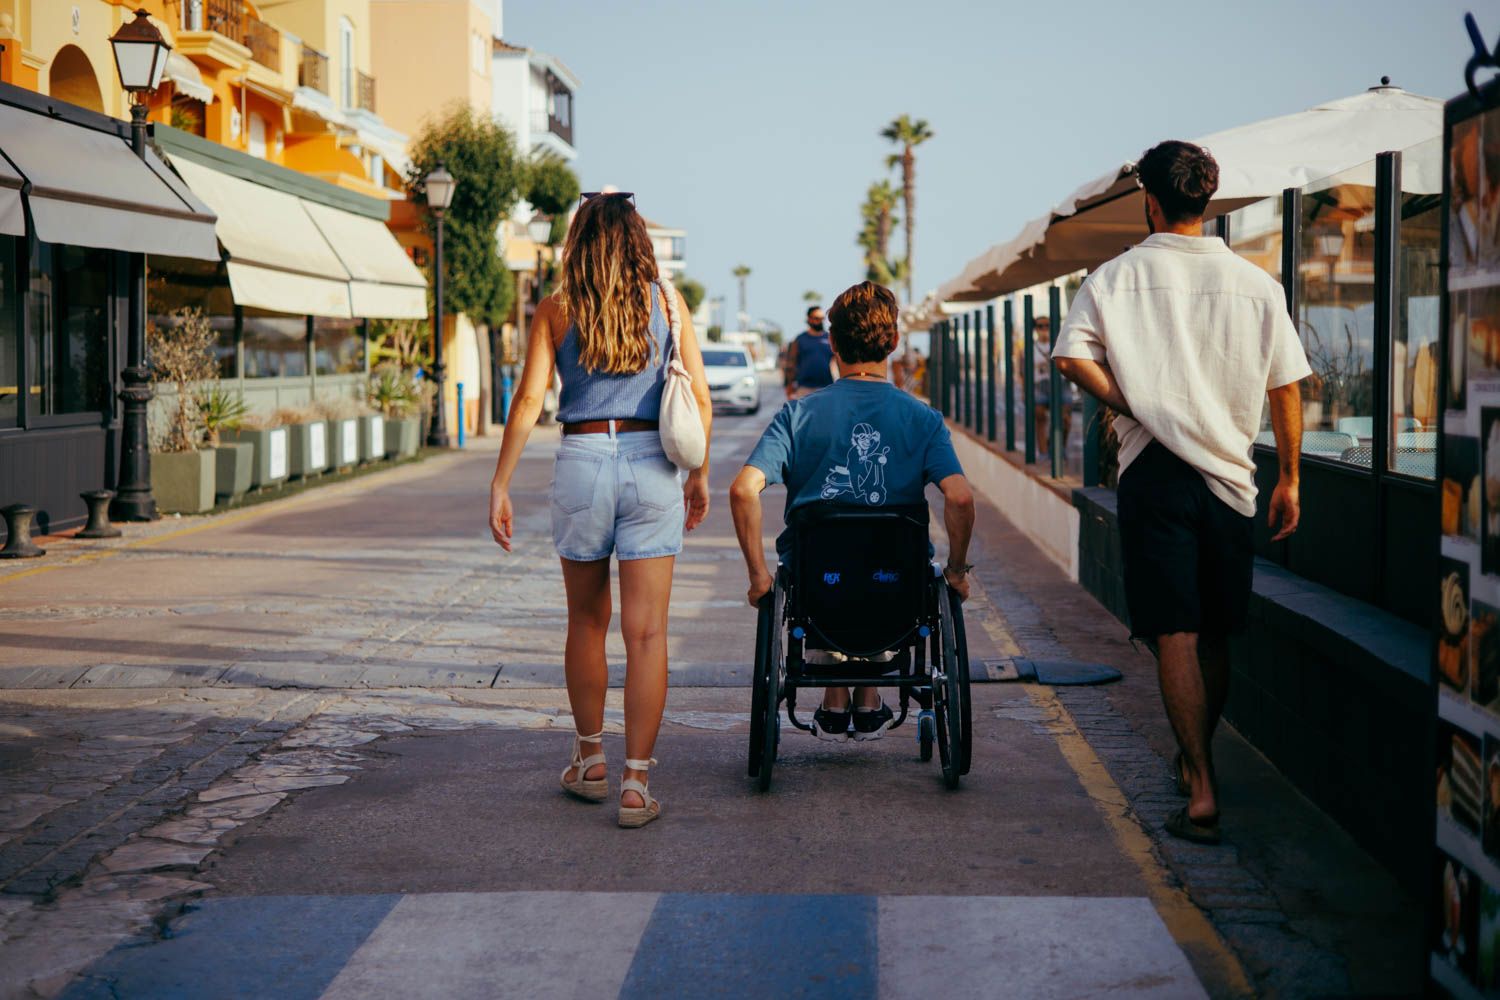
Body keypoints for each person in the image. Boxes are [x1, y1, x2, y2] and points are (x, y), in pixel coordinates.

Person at [1053, 140, 1309, 846]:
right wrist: (1290, 475)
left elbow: (1070, 355)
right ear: (1208, 201)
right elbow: (1286, 384)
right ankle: (1195, 759)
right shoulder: (1256, 284)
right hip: (1230, 476)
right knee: (1218, 630)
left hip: (1154, 472)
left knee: (1175, 629)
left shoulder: (1116, 278)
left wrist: (1133, 402)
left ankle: (1199, 784)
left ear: (1151, 201)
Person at [488, 192, 713, 829]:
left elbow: (530, 397)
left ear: (578, 240)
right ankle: (636, 785)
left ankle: (590, 763)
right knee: (647, 633)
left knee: (586, 622)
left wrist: (501, 482)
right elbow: (698, 394)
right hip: (652, 462)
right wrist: (700, 474)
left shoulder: (557, 307)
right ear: (639, 238)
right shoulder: (669, 303)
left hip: (582, 458)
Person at [730, 281, 975, 740]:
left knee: (831, 566)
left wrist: (759, 577)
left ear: (833, 344)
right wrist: (958, 571)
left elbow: (744, 490)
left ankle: (838, 693)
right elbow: (959, 498)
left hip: (818, 587)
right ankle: (867, 693)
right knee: (883, 567)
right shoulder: (923, 419)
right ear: (895, 343)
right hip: (896, 587)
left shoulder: (796, 416)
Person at [782, 304, 836, 399]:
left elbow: (839, 362)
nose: (820, 321)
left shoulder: (830, 338)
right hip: (804, 388)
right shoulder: (799, 340)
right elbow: (791, 364)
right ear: (809, 319)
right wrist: (789, 386)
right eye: (816, 318)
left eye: (822, 318)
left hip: (826, 387)